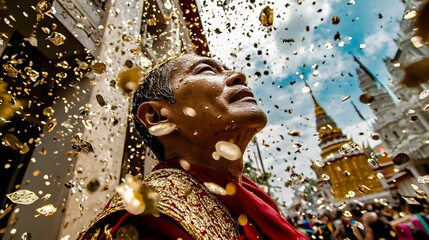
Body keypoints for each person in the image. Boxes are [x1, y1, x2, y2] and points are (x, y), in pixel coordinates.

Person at [78, 54, 308, 239]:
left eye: (228, 69)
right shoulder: (149, 218)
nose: (239, 76)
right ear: (158, 117)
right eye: (206, 70)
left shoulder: (253, 197)